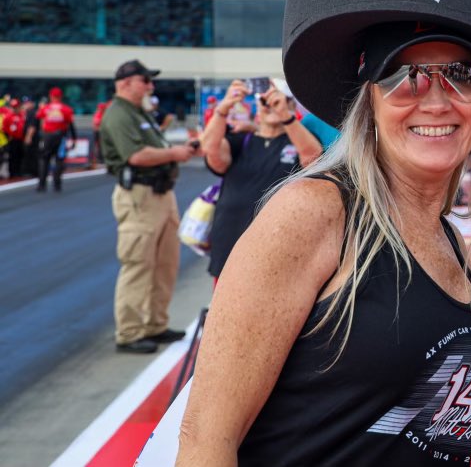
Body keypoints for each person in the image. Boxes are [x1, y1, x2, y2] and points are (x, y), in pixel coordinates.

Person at [177, 0, 471, 464]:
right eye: (404, 75)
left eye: (462, 75)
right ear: (369, 101)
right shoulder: (315, 213)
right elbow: (205, 440)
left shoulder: (448, 239)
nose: (435, 99)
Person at [101, 60, 201, 354]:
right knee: (139, 264)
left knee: (165, 263)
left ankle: (155, 324)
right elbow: (135, 156)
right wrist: (175, 152)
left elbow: (152, 149)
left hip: (159, 193)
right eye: (145, 80)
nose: (150, 86)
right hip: (140, 195)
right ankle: (130, 332)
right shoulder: (118, 114)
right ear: (125, 83)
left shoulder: (137, 112)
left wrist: (177, 152)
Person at [201, 79, 322, 282]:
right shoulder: (242, 140)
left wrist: (286, 116)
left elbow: (313, 157)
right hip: (231, 242)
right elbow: (211, 150)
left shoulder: (299, 139)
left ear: (291, 105)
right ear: (257, 109)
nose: (271, 107)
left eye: (279, 101)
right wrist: (223, 108)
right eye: (265, 102)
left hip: (278, 247)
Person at [36, 86, 77, 192]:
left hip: (47, 137)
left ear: (51, 96)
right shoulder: (66, 109)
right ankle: (57, 184)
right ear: (61, 96)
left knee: (44, 159)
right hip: (60, 137)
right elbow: (71, 125)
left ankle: (42, 185)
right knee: (59, 160)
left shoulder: (45, 108)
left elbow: (38, 119)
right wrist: (74, 139)